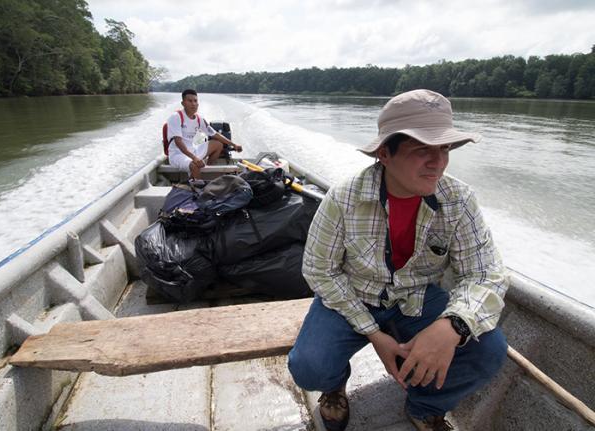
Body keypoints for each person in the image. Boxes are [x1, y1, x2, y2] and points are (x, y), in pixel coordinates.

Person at [288, 89, 508, 431]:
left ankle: (425, 406)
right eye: (422, 150)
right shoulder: (343, 200)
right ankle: (334, 385)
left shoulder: (459, 201)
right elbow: (320, 271)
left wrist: (453, 325)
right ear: (384, 154)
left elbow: (486, 274)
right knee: (308, 367)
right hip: (354, 295)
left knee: (489, 349)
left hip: (418, 297)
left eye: (444, 148)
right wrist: (375, 334)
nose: (438, 162)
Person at [166, 89, 242, 179]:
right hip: (178, 155)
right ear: (183, 103)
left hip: (193, 151)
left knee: (217, 144)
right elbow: (178, 142)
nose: (193, 104)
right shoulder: (176, 117)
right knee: (195, 164)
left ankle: (207, 169)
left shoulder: (199, 119)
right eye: (190, 101)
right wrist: (194, 158)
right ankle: (198, 188)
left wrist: (234, 144)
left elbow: (215, 134)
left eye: (195, 101)